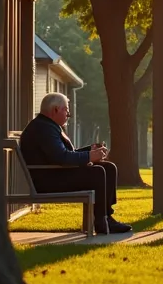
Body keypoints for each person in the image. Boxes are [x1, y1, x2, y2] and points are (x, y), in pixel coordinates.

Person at [20, 92, 132, 235]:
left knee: (109, 168)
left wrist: (89, 151)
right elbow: (61, 157)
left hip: (53, 173)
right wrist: (89, 156)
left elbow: (60, 154)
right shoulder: (44, 128)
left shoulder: (47, 125)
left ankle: (106, 217)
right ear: (55, 110)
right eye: (66, 110)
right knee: (97, 172)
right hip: (48, 180)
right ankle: (101, 221)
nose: (68, 114)